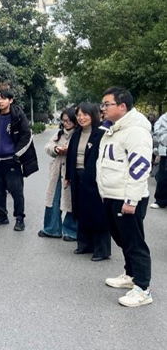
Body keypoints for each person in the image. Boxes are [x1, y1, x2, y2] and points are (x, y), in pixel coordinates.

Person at [97, 87, 153, 307]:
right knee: (122, 239)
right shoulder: (112, 129)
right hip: (112, 194)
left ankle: (143, 289)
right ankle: (130, 275)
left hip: (127, 198)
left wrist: (131, 200)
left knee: (134, 242)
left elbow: (140, 167)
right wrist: (104, 192)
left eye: (107, 104)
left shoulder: (136, 131)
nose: (103, 108)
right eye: (102, 104)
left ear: (122, 106)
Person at [0, 90, 37, 232]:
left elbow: (26, 136)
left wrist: (16, 155)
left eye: (3, 99)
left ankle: (19, 218)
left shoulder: (18, 116)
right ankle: (2, 215)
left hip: (11, 160)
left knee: (16, 191)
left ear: (11, 100)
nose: (0, 101)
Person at [66, 103, 110, 260]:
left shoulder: (101, 134)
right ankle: (84, 244)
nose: (81, 118)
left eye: (85, 114)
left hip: (94, 178)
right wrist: (68, 176)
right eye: (78, 115)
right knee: (80, 210)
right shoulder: (76, 134)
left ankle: (101, 249)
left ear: (93, 115)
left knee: (97, 213)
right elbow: (70, 157)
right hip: (77, 177)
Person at [39, 108, 78, 240]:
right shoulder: (60, 133)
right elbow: (48, 146)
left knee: (71, 201)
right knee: (53, 199)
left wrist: (70, 150)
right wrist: (56, 149)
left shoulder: (79, 134)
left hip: (72, 171)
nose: (66, 123)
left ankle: (71, 231)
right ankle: (52, 229)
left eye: (69, 121)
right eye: (64, 121)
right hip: (57, 171)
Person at [150, 111, 167, 209]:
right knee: (163, 177)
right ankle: (161, 201)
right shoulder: (165, 117)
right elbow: (159, 131)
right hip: (165, 151)